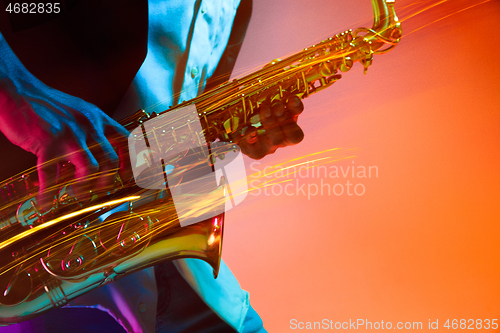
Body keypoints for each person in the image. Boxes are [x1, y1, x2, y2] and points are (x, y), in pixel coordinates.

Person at [0, 0, 304, 331]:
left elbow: (180, 143)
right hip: (47, 280)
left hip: (192, 281)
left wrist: (235, 137)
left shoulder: (238, 6)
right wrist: (19, 93)